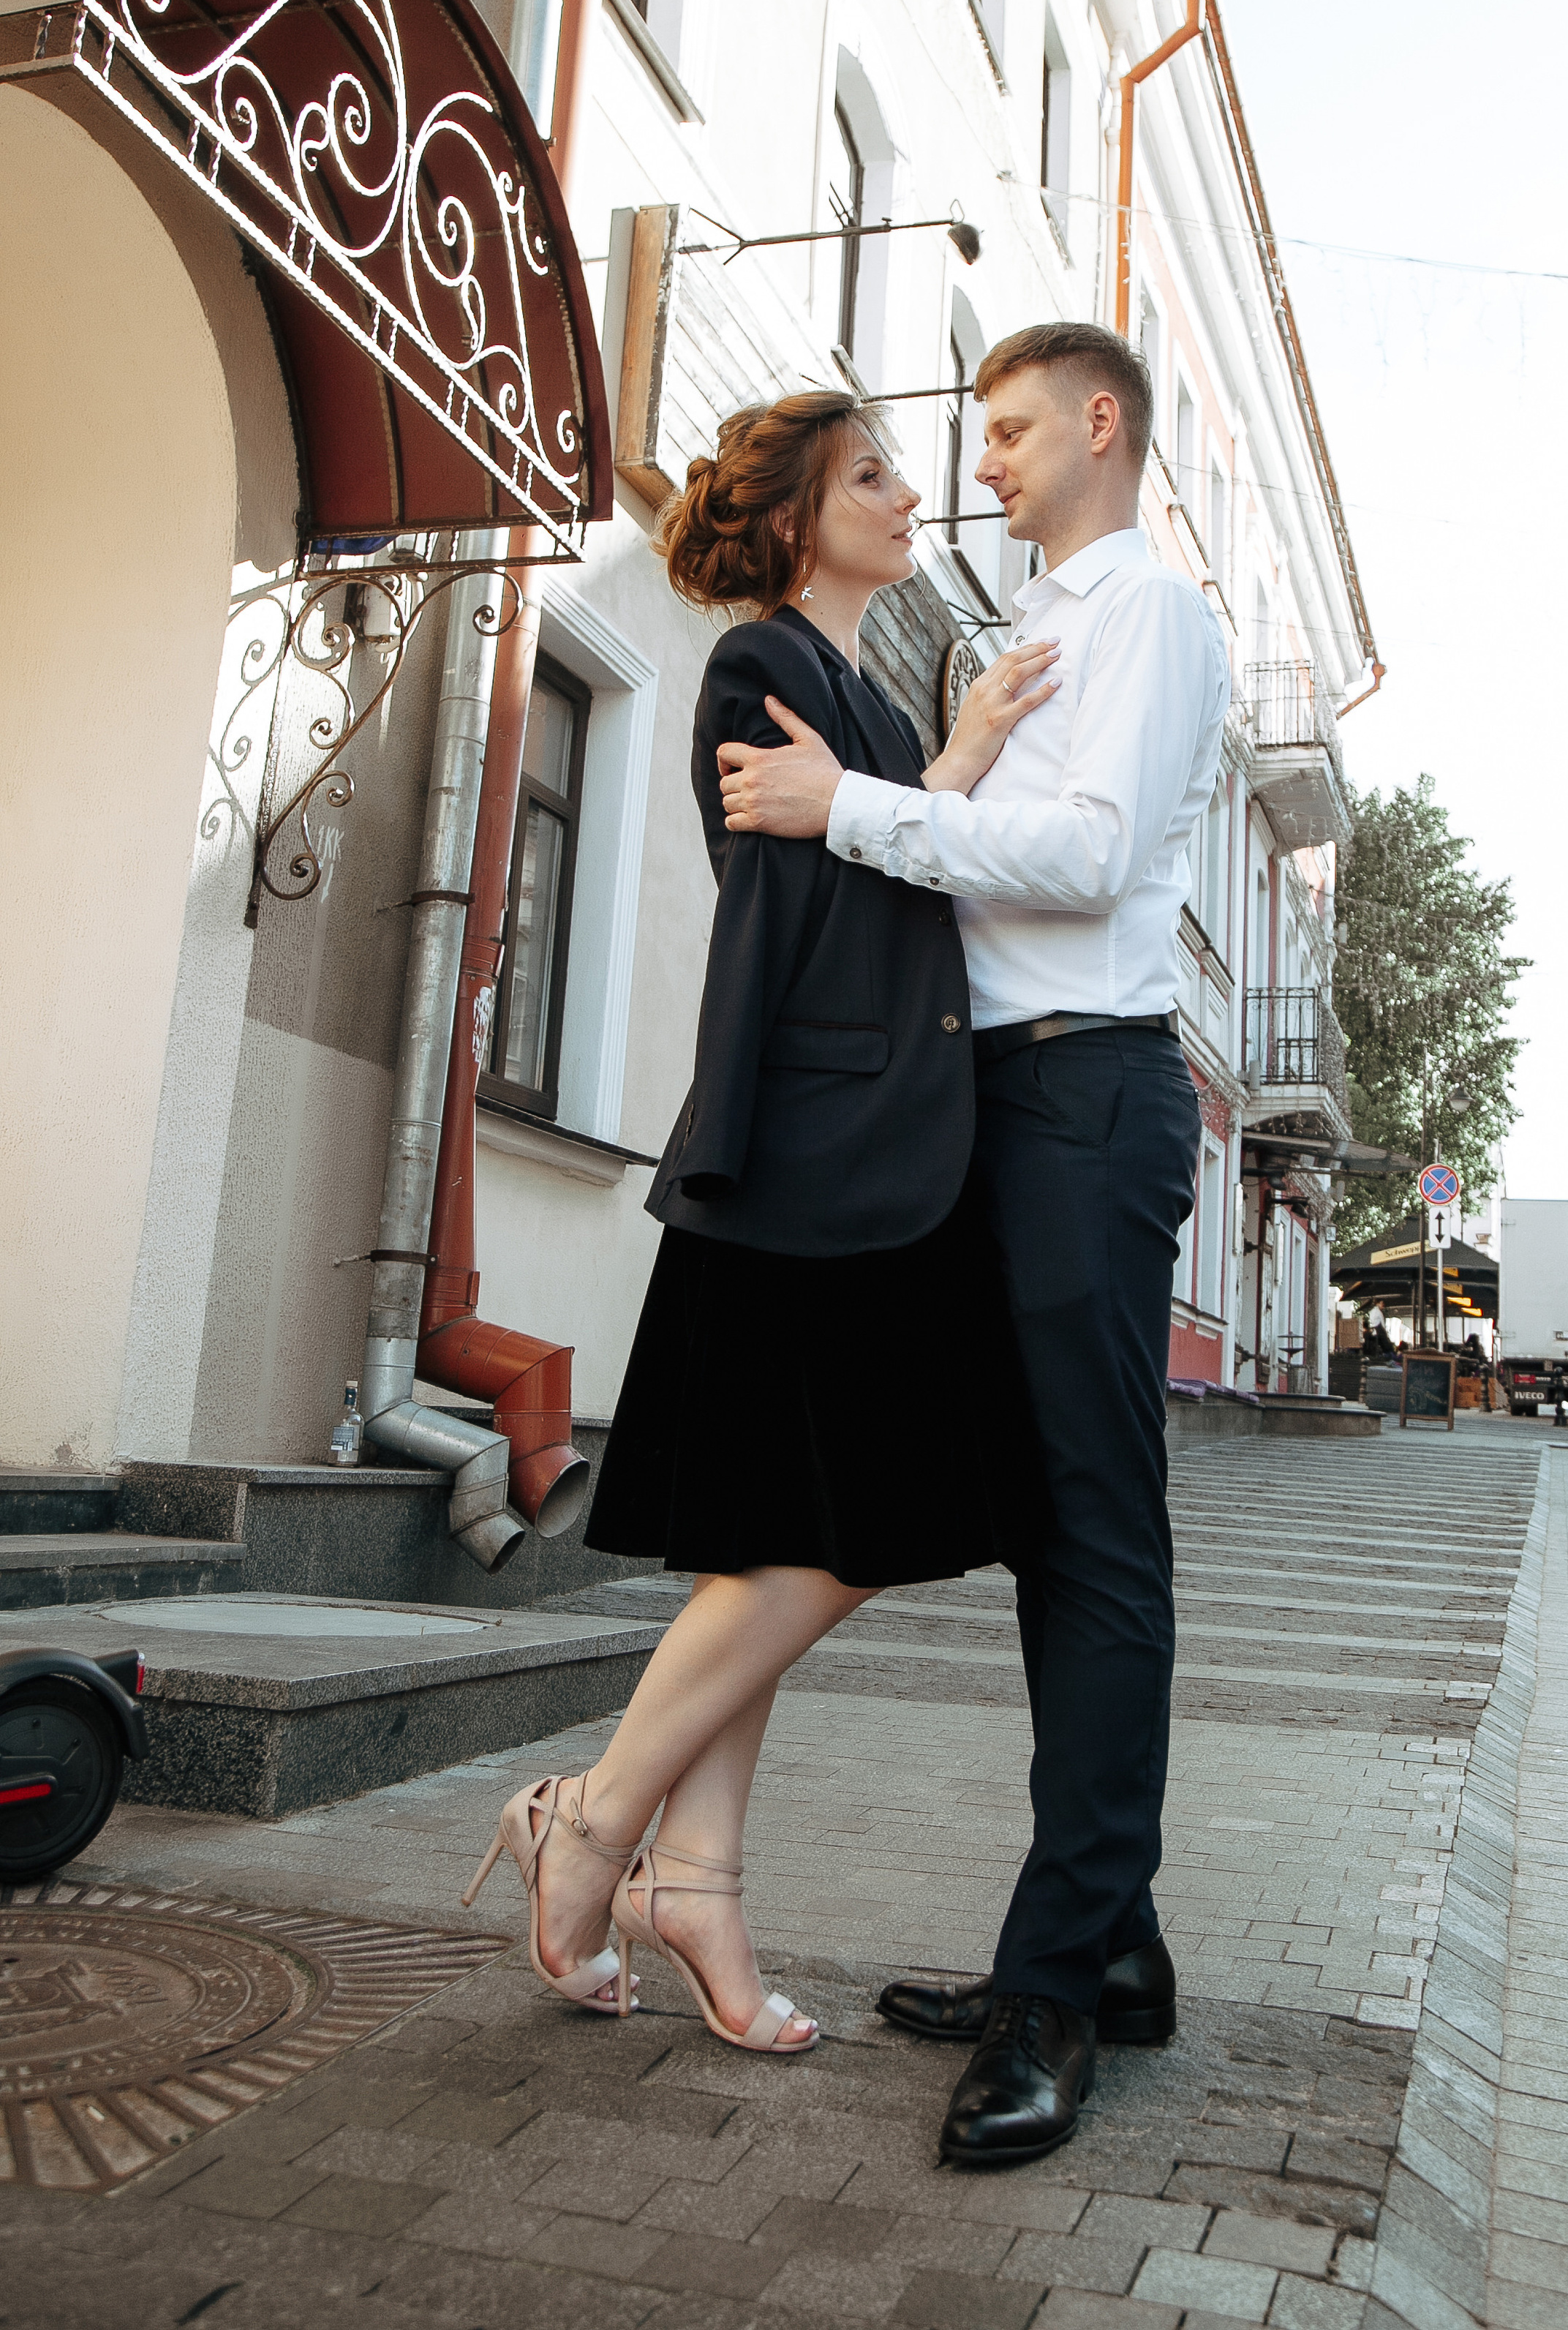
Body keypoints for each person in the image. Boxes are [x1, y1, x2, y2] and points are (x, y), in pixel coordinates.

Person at [464, 388, 1058, 2052]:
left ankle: (694, 1882)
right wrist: (948, 774)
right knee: (853, 1533)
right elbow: (801, 898)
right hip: (813, 1164)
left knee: (775, 1538)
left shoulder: (858, 686)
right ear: (797, 518)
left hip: (867, 1160)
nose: (910, 490)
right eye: (872, 473)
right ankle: (589, 1832)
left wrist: (939, 763)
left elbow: (878, 854)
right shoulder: (762, 664)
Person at [720, 321, 1231, 2165]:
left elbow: (1085, 859)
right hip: (1006, 1108)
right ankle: (1104, 1942)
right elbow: (988, 849)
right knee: (1039, 1531)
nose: (983, 462)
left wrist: (844, 805)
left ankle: (1052, 1994)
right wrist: (921, 780)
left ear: (1102, 423)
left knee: (1091, 1531)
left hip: (1085, 1102)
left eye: (1010, 430)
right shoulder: (1035, 643)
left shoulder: (1149, 618)